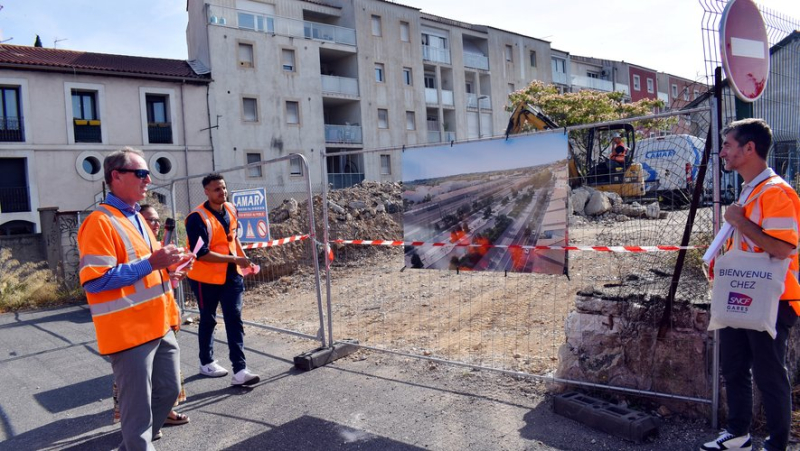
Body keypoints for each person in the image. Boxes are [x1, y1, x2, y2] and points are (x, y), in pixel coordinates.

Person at [78, 147, 193, 450]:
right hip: (129, 333)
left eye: (148, 174)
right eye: (141, 173)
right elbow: (97, 280)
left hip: (158, 325)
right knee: (137, 412)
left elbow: (146, 269)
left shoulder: (137, 217)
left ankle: (137, 441)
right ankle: (138, 443)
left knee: (169, 390)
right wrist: (153, 264)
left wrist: (171, 270)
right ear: (116, 176)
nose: (148, 180)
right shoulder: (100, 222)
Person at [701, 119, 800, 451]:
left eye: (728, 145)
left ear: (749, 148)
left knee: (770, 375)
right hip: (741, 293)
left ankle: (777, 444)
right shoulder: (751, 189)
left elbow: (782, 248)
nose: (723, 152)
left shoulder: (776, 192)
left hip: (774, 299)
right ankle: (738, 434)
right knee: (733, 365)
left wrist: (739, 221)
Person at [110, 205, 190, 427]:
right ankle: (141, 429)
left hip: (164, 320)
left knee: (167, 379)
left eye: (157, 221)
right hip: (137, 327)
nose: (155, 224)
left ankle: (161, 415)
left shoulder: (158, 247)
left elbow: (160, 285)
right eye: (149, 220)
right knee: (139, 387)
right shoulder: (131, 249)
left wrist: (174, 276)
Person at [186, 173, 260, 386]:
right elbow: (201, 253)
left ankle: (240, 370)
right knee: (208, 318)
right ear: (206, 192)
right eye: (217, 189)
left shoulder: (230, 209)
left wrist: (244, 260)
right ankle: (206, 362)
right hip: (204, 277)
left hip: (231, 275)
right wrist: (235, 258)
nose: (222, 192)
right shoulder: (196, 218)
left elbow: (233, 237)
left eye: (224, 188)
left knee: (234, 317)